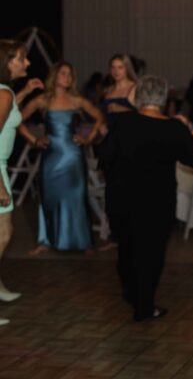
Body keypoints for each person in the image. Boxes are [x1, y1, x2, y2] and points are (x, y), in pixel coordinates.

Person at [99, 76, 193, 321]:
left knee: (126, 248)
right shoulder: (174, 128)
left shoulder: (123, 123)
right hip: (157, 201)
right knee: (151, 254)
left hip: (121, 197)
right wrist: (186, 128)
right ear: (164, 99)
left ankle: (131, 292)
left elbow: (104, 156)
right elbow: (191, 159)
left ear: (139, 97)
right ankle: (144, 306)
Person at [19, 62, 104, 254]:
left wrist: (88, 139)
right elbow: (17, 120)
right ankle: (46, 240)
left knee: (77, 197)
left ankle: (84, 242)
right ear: (54, 76)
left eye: (70, 74)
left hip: (73, 157)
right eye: (63, 73)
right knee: (50, 197)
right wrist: (34, 140)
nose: (67, 77)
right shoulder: (42, 100)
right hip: (51, 157)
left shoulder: (77, 100)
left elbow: (100, 116)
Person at [0, 40, 44, 325]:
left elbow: (8, 116)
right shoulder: (3, 93)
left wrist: (26, 91)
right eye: (21, 58)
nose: (26, 63)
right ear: (7, 62)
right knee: (3, 234)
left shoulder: (5, 92)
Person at [100, 54, 137, 128]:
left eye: (120, 67)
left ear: (127, 69)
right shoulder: (108, 90)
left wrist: (120, 108)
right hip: (111, 132)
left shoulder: (135, 88)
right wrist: (103, 124)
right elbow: (104, 115)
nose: (116, 71)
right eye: (113, 67)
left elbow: (143, 114)